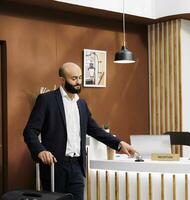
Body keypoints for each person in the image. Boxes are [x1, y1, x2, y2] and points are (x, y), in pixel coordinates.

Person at [23, 62, 136, 200]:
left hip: (77, 167)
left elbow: (94, 130)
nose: (78, 82)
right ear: (63, 80)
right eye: (74, 78)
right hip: (55, 167)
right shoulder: (47, 100)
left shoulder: (81, 104)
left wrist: (118, 144)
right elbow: (30, 131)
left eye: (80, 78)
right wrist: (40, 151)